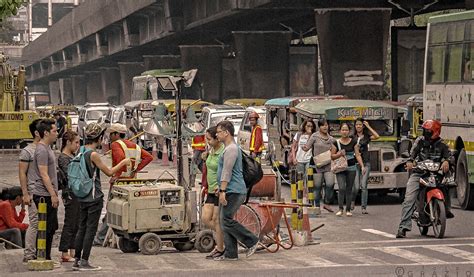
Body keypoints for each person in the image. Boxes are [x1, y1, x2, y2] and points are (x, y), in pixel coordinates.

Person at [73, 123, 131, 271]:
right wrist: (123, 162)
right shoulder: (93, 154)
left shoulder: (80, 151)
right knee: (90, 230)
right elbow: (109, 172)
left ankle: (77, 260)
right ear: (98, 138)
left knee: (82, 227)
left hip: (82, 195)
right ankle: (85, 262)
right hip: (93, 197)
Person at [93, 123, 153, 245]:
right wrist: (135, 169)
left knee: (112, 209)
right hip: (132, 181)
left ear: (116, 134)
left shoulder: (116, 145)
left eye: (111, 134)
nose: (109, 136)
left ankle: (100, 238)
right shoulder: (134, 146)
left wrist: (117, 173)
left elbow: (121, 159)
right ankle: (104, 236)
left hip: (119, 182)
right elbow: (148, 157)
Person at [396, 120, 453, 238]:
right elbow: (412, 153)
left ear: (435, 131)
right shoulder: (419, 141)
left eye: (428, 131)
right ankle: (403, 227)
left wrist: (447, 161)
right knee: (409, 198)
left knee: (449, 185)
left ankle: (446, 209)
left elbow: (450, 155)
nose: (425, 133)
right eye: (425, 130)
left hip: (436, 174)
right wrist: (410, 161)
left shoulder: (442, 144)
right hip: (419, 173)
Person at [215, 120, 259, 261]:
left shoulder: (232, 149)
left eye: (218, 132)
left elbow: (227, 171)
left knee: (226, 220)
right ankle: (231, 254)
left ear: (226, 132)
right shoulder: (228, 148)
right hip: (228, 189)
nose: (217, 135)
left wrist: (223, 191)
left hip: (234, 190)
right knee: (224, 221)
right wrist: (220, 187)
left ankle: (251, 241)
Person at [30, 118, 59, 261]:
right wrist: (52, 194)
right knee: (45, 228)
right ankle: (42, 257)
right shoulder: (41, 150)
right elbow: (43, 174)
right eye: (54, 131)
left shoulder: (47, 148)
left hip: (48, 193)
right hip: (43, 195)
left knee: (51, 227)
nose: (57, 133)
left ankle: (45, 256)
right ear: (46, 133)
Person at [330, 123, 365, 217]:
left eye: (346, 130)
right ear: (340, 131)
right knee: (341, 188)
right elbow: (332, 156)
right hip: (340, 168)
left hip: (352, 167)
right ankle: (340, 209)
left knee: (349, 189)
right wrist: (339, 154)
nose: (344, 132)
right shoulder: (335, 143)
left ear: (349, 131)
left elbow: (357, 155)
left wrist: (362, 166)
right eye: (343, 130)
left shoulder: (354, 142)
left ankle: (348, 209)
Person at [201, 127, 225, 259]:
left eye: (209, 139)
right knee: (206, 218)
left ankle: (220, 247)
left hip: (218, 190)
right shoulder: (211, 150)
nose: (207, 141)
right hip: (209, 189)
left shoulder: (223, 152)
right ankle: (225, 236)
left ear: (217, 139)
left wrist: (222, 188)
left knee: (216, 220)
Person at [19, 118, 41, 262]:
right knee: (34, 223)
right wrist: (25, 194)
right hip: (33, 193)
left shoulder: (45, 149)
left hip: (44, 193)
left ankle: (40, 253)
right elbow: (22, 173)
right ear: (37, 133)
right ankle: (29, 254)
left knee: (43, 224)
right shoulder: (27, 151)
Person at [303, 119, 336, 214]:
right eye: (323, 125)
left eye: (326, 125)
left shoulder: (331, 139)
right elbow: (306, 147)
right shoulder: (314, 136)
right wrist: (302, 146)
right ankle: (316, 206)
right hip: (316, 165)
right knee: (317, 187)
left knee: (330, 184)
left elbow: (335, 149)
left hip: (328, 164)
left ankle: (326, 203)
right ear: (319, 127)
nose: (325, 127)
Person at [57, 130, 80, 262]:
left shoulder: (71, 157)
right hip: (70, 194)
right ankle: (64, 252)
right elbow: (70, 175)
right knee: (70, 223)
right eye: (76, 142)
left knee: (76, 222)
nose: (77, 145)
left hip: (76, 193)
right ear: (68, 142)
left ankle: (73, 250)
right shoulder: (64, 158)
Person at [351, 118, 379, 214]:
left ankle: (363, 207)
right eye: (357, 124)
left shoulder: (367, 137)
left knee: (364, 186)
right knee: (356, 186)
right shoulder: (352, 137)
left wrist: (368, 126)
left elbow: (377, 136)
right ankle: (352, 200)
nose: (358, 126)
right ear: (355, 126)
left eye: (360, 124)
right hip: (355, 163)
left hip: (366, 162)